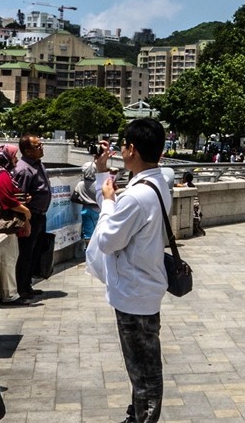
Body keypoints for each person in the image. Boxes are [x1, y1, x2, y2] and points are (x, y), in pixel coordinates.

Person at [86, 118, 172, 423]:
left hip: (135, 295)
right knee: (142, 367)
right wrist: (101, 177)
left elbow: (108, 240)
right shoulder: (157, 183)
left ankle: (142, 418)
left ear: (131, 149)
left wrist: (110, 201)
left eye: (123, 144)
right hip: (143, 288)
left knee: (145, 372)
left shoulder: (136, 196)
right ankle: (136, 414)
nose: (121, 149)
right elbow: (116, 220)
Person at [0, 143, 33, 306]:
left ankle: (8, 292)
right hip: (5, 224)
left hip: (4, 223)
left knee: (9, 257)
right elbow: (6, 200)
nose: (16, 159)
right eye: (13, 156)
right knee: (9, 258)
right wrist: (26, 212)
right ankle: (10, 294)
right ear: (5, 158)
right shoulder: (2, 175)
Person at [13, 133, 52, 299]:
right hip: (31, 217)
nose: (41, 147)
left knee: (35, 252)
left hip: (40, 216)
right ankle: (22, 288)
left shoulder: (38, 164)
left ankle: (28, 284)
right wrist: (26, 221)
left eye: (41, 144)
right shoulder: (24, 169)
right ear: (27, 151)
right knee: (26, 253)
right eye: (37, 146)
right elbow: (20, 197)